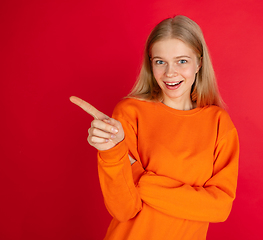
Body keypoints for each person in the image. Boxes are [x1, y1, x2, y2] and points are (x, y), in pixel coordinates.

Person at [70, 15, 239, 240]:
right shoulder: (129, 112)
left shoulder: (218, 123)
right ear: (150, 64)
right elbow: (123, 210)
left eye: (182, 61)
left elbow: (219, 208)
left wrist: (140, 176)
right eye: (160, 61)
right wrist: (111, 151)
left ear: (199, 63)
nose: (170, 73)